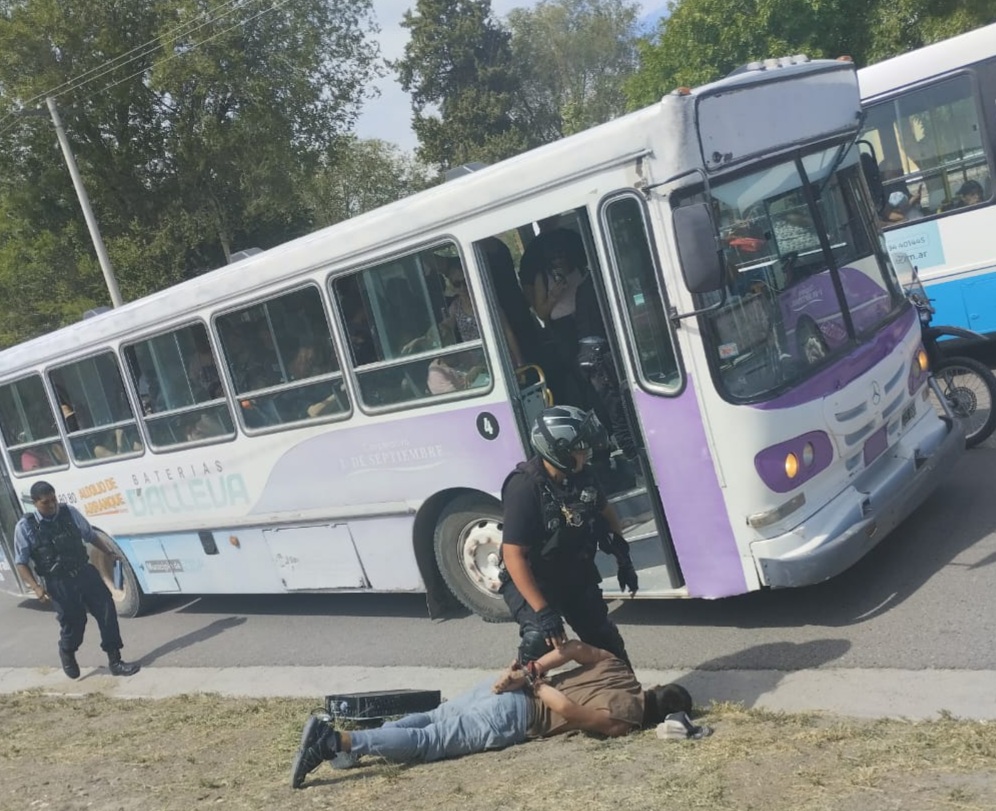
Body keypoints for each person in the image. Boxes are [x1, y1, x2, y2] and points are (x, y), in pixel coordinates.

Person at [290, 638, 698, 788]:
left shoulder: (620, 669)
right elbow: (570, 712)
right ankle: (335, 742)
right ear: (662, 719)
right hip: (518, 717)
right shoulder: (623, 722)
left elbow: (573, 648)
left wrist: (530, 671)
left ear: (656, 688)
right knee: (429, 741)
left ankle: (349, 750)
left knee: (436, 717)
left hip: (506, 687)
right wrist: (536, 686)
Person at [499, 405, 637, 668]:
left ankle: (628, 699)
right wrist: (543, 611)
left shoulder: (581, 476)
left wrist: (624, 559)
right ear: (558, 450)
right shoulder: (524, 488)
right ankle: (526, 700)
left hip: (573, 572)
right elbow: (513, 554)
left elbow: (606, 511)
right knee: (539, 639)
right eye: (580, 449)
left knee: (604, 638)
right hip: (533, 578)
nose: (585, 455)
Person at [13, 481, 141, 679]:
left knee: (107, 612)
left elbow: (90, 535)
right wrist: (36, 587)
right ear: (35, 503)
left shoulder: (69, 513)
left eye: (54, 500)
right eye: (46, 502)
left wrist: (108, 552)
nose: (52, 505)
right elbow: (20, 562)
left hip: (84, 572)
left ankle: (115, 661)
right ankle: (67, 650)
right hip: (59, 583)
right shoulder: (25, 527)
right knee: (75, 622)